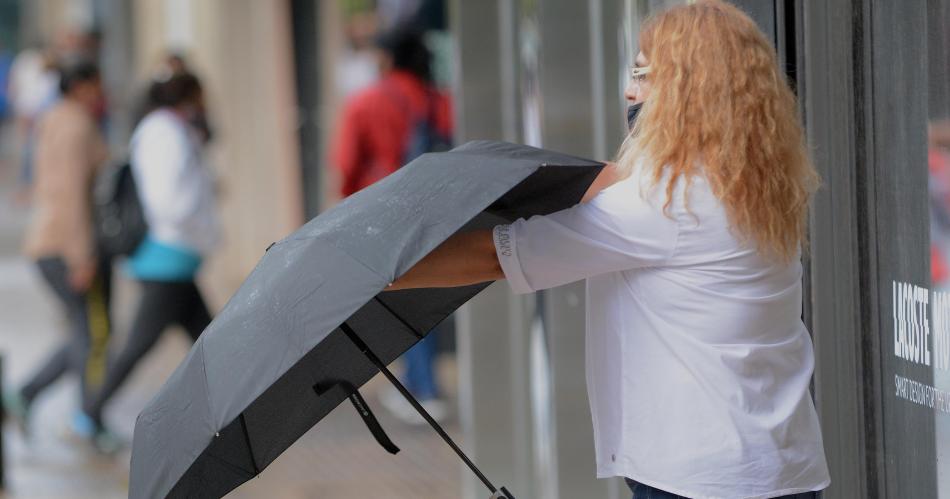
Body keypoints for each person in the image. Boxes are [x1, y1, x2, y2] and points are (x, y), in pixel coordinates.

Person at [389, 2, 830, 498]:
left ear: (690, 89)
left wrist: (380, 270)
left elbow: (499, 255)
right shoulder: (761, 186)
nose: (629, 90)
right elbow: (633, 191)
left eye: (643, 75)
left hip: (698, 478)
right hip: (782, 466)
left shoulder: (664, 202)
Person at [79, 72, 221, 442]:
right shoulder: (165, 134)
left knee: (209, 340)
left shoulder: (166, 130)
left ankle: (230, 407)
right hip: (166, 256)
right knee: (141, 345)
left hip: (174, 257)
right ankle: (88, 412)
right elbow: (168, 198)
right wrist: (199, 213)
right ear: (189, 96)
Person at [332, 28, 453, 423]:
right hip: (436, 211)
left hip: (383, 215)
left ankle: (423, 389)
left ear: (387, 59)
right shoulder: (439, 101)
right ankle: (420, 384)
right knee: (423, 293)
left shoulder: (366, 102)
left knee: (399, 297)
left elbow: (346, 165)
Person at [4, 60, 112, 446]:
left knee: (87, 331)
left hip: (51, 241)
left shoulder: (54, 118)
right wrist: (81, 255)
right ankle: (85, 417)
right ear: (81, 86)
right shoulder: (76, 124)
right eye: (98, 82)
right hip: (64, 245)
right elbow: (70, 194)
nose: (103, 90)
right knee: (91, 333)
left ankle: (29, 396)